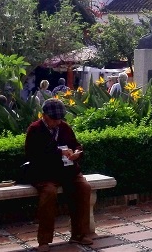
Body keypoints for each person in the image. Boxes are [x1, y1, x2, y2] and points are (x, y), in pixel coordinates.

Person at [25, 98, 92, 251]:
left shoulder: (64, 127)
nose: (58, 121)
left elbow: (76, 145)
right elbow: (32, 155)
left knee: (84, 187)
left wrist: (76, 153)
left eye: (60, 118)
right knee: (49, 193)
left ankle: (80, 234)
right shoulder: (34, 129)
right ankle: (44, 240)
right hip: (44, 173)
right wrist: (59, 153)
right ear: (44, 116)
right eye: (54, 119)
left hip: (67, 171)